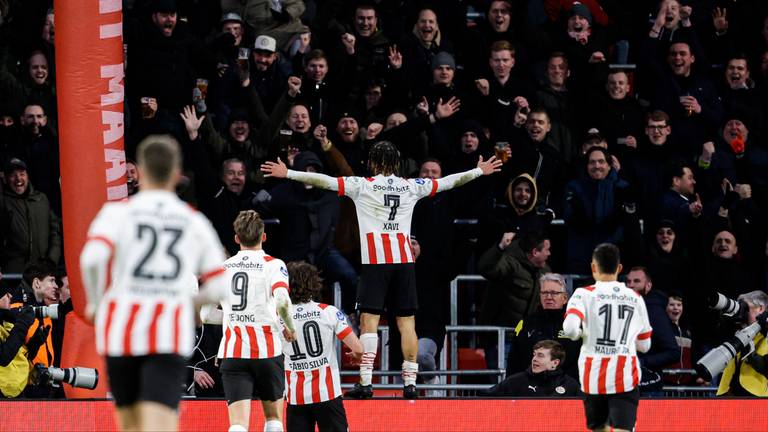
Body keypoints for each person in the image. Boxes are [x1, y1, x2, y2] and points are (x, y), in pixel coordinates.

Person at [261, 141, 502, 399]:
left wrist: (288, 173)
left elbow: (324, 181)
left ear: (373, 163)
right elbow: (448, 183)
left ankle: (365, 383)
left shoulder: (361, 185)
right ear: (396, 163)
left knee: (369, 323)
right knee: (407, 324)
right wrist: (478, 171)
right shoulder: (411, 186)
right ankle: (410, 384)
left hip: (376, 264)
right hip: (404, 264)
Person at [80, 135, 230, 431]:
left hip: (122, 330)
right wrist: (193, 305)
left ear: (140, 173)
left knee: (131, 424)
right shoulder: (191, 220)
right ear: (176, 175)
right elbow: (219, 283)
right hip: (166, 334)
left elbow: (91, 259)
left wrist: (97, 302)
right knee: (160, 423)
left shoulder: (117, 213)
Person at [217, 210, 297, 432]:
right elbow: (282, 300)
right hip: (267, 351)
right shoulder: (274, 264)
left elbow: (206, 314)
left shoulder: (223, 268)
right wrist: (290, 328)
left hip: (233, 351)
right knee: (273, 420)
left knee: (238, 425)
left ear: (236, 238)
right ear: (263, 237)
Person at [563, 243, 652, 432]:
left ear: (593, 267)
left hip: (592, 376)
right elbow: (645, 345)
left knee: (599, 429)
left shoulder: (583, 294)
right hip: (625, 377)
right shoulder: (635, 297)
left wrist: (581, 334)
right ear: (619, 269)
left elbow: (570, 329)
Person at [283, 261, 363, 432]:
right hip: (327, 394)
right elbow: (358, 349)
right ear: (313, 284)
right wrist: (356, 355)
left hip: (296, 397)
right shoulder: (329, 312)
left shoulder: (279, 319)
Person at [507, 273, 581, 379]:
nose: (548, 297)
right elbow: (514, 361)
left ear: (565, 298)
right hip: (532, 388)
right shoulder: (526, 323)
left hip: (568, 388)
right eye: (544, 293)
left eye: (554, 293)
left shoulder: (577, 323)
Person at [483, 339, 579, 397]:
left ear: (554, 363)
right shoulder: (515, 381)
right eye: (534, 355)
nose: (534, 359)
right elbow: (484, 399)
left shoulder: (570, 385)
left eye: (540, 356)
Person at [716, 290, 768, 397]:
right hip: (728, 394)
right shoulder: (738, 331)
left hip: (756, 398)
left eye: (745, 308)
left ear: (761, 309)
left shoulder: (765, 335)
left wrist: (751, 355)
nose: (742, 312)